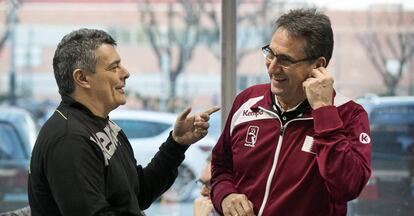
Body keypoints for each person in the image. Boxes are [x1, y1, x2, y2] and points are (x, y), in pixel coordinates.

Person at [28, 28, 219, 216]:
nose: (125, 73)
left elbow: (139, 194)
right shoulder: (69, 139)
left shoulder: (104, 125)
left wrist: (177, 143)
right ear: (82, 78)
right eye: (114, 67)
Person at [211, 8, 372, 216]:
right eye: (270, 53)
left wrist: (324, 111)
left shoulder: (349, 114)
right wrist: (226, 196)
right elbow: (221, 168)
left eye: (286, 60)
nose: (272, 68)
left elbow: (348, 186)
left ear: (318, 65)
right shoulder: (247, 100)